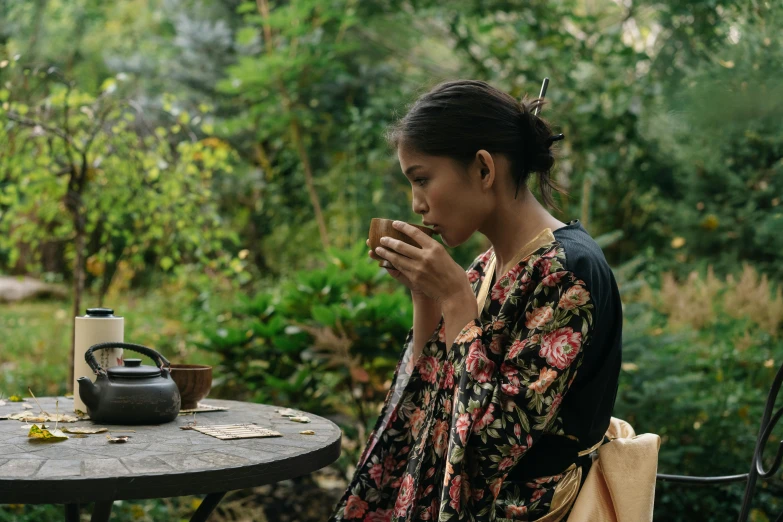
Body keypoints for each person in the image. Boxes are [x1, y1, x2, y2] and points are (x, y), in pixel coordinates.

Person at [329, 80, 622, 521]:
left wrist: (453, 296)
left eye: (422, 179)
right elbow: (428, 403)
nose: (416, 204)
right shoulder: (486, 266)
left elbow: (486, 448)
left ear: (484, 169)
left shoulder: (567, 272)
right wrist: (426, 294)